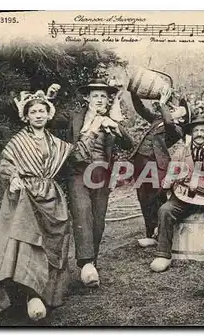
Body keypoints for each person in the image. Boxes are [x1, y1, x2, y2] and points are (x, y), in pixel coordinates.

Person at [0, 86, 74, 321]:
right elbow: (6, 164)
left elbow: (73, 160)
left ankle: (48, 295)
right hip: (26, 198)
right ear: (26, 116)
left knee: (53, 245)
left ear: (49, 114)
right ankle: (29, 294)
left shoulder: (57, 143)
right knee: (28, 245)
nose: (38, 115)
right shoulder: (18, 142)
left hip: (52, 196)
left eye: (42, 111)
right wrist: (14, 178)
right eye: (33, 112)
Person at [51, 78, 132, 288]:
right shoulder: (74, 116)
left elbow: (128, 143)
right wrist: (50, 98)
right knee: (82, 212)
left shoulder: (111, 119)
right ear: (87, 98)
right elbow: (49, 119)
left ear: (108, 100)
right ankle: (86, 264)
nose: (99, 99)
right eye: (95, 95)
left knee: (98, 219)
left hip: (101, 175)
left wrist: (115, 127)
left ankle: (91, 261)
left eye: (103, 96)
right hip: (77, 172)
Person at [150, 116, 204, 272]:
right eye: (196, 130)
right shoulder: (180, 153)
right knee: (165, 210)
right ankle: (163, 255)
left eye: (203, 130)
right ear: (191, 133)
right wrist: (168, 181)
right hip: (185, 198)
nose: (200, 133)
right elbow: (172, 172)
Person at [129, 88, 188, 248]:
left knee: (157, 195)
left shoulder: (177, 129)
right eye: (172, 108)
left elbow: (169, 122)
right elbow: (141, 109)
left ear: (183, 118)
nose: (173, 109)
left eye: (178, 110)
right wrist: (133, 91)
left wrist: (162, 103)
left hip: (157, 164)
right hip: (141, 161)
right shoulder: (156, 119)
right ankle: (151, 234)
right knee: (144, 197)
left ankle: (161, 232)